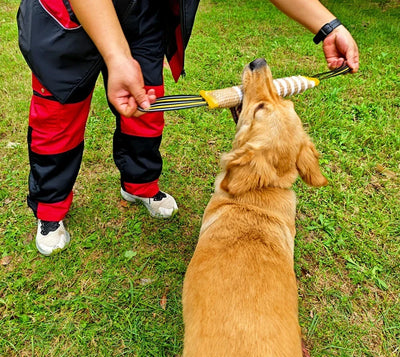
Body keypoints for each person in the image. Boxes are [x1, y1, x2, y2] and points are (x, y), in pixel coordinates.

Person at [17, 0, 359, 256]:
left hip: (142, 13)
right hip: (66, 17)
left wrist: (328, 26)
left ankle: (140, 185)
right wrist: (116, 56)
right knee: (58, 119)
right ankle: (50, 209)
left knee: (146, 108)